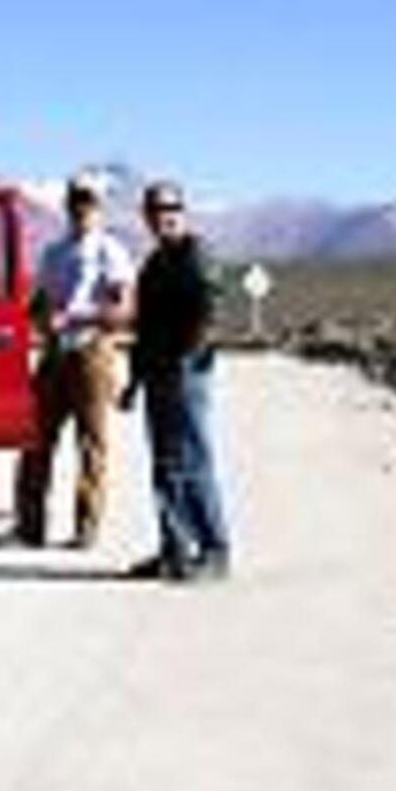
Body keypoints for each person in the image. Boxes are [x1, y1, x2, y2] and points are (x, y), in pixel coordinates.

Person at [13, 171, 134, 548]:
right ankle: (29, 527)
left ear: (99, 209)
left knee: (91, 444)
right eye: (77, 202)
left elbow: (123, 308)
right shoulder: (54, 252)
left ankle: (86, 528)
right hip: (54, 353)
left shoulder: (110, 251)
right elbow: (39, 301)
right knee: (34, 439)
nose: (83, 210)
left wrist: (79, 317)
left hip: (92, 352)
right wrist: (33, 318)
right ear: (68, 206)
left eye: (90, 203)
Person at [128, 178, 233, 583]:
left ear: (182, 213)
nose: (162, 218)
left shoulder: (197, 254)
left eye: (169, 211)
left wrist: (186, 359)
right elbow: (145, 328)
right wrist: (134, 380)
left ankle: (214, 550)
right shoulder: (154, 264)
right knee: (165, 465)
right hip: (156, 375)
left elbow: (208, 310)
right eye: (155, 212)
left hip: (185, 375)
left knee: (194, 461)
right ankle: (174, 550)